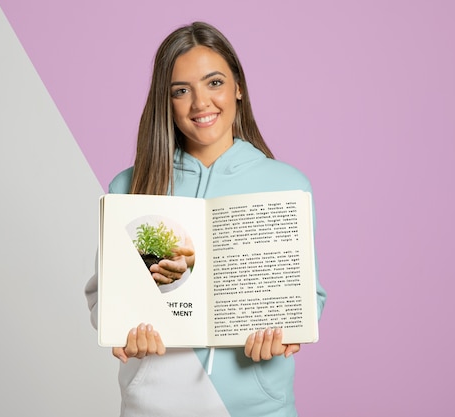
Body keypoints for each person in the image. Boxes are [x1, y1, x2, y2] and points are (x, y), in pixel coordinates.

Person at [84, 21, 327, 417]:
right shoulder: (131, 185)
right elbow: (103, 296)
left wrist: (285, 332)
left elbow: (308, 296)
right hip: (154, 405)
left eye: (214, 83)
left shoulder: (286, 184)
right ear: (166, 101)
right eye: (181, 91)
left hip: (259, 407)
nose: (201, 103)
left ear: (238, 88)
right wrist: (123, 330)